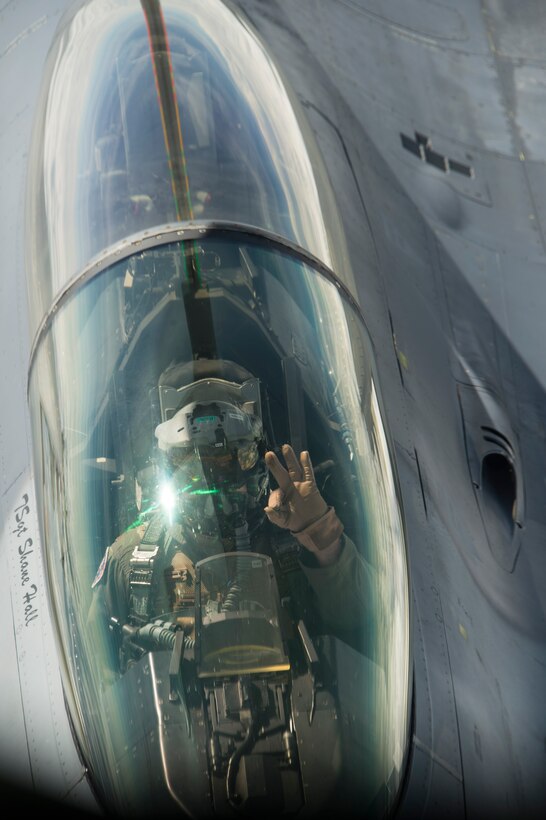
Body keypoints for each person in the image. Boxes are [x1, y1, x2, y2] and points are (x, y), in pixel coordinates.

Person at [88, 372, 371, 673]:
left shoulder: (292, 536)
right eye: (195, 469)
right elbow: (93, 668)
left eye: (231, 461)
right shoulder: (133, 561)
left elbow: (366, 623)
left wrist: (320, 535)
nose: (215, 486)